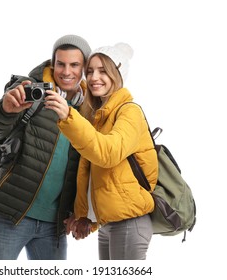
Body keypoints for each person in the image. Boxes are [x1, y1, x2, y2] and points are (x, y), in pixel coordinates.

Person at [0, 34, 92, 260]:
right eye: (60, 63)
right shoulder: (28, 89)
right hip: (9, 214)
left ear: (84, 69)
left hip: (55, 225)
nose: (66, 71)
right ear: (53, 63)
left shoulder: (88, 110)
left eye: (74, 65)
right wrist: (5, 108)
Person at [45, 42, 158, 260]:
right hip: (110, 225)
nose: (94, 77)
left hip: (129, 223)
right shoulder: (99, 117)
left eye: (103, 71)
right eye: (90, 71)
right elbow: (98, 180)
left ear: (118, 74)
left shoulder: (129, 112)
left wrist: (69, 116)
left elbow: (108, 154)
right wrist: (85, 217)